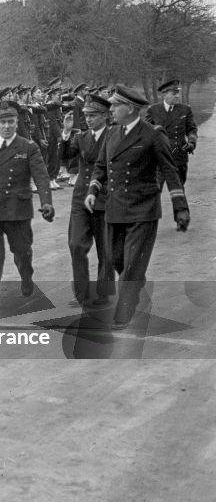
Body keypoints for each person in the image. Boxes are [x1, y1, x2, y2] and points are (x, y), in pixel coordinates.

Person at [86, 84, 190, 329]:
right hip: (115, 209)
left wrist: (180, 206)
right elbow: (101, 166)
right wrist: (93, 190)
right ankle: (134, 287)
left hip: (143, 209)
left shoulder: (153, 134)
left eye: (115, 106)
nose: (110, 110)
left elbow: (169, 169)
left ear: (130, 109)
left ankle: (124, 310)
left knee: (132, 266)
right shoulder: (112, 133)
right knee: (117, 260)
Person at [0, 101, 55, 310]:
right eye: (3, 122)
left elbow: (41, 177)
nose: (7, 126)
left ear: (17, 123)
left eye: (11, 122)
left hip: (18, 210)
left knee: (22, 251)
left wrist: (46, 202)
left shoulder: (28, 147)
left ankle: (26, 276)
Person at [59, 93, 115, 308]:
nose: (89, 119)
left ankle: (104, 292)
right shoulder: (81, 137)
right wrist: (65, 132)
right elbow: (65, 156)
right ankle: (81, 293)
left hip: (106, 198)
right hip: (81, 198)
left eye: (93, 115)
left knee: (105, 249)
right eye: (86, 115)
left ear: (105, 116)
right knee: (75, 244)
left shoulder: (115, 136)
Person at [145, 79, 197, 188]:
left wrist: (191, 142)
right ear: (164, 94)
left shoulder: (185, 109)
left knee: (179, 190)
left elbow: (191, 129)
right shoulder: (153, 110)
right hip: (159, 157)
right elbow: (146, 132)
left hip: (179, 156)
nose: (177, 96)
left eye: (178, 93)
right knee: (155, 190)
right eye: (174, 93)